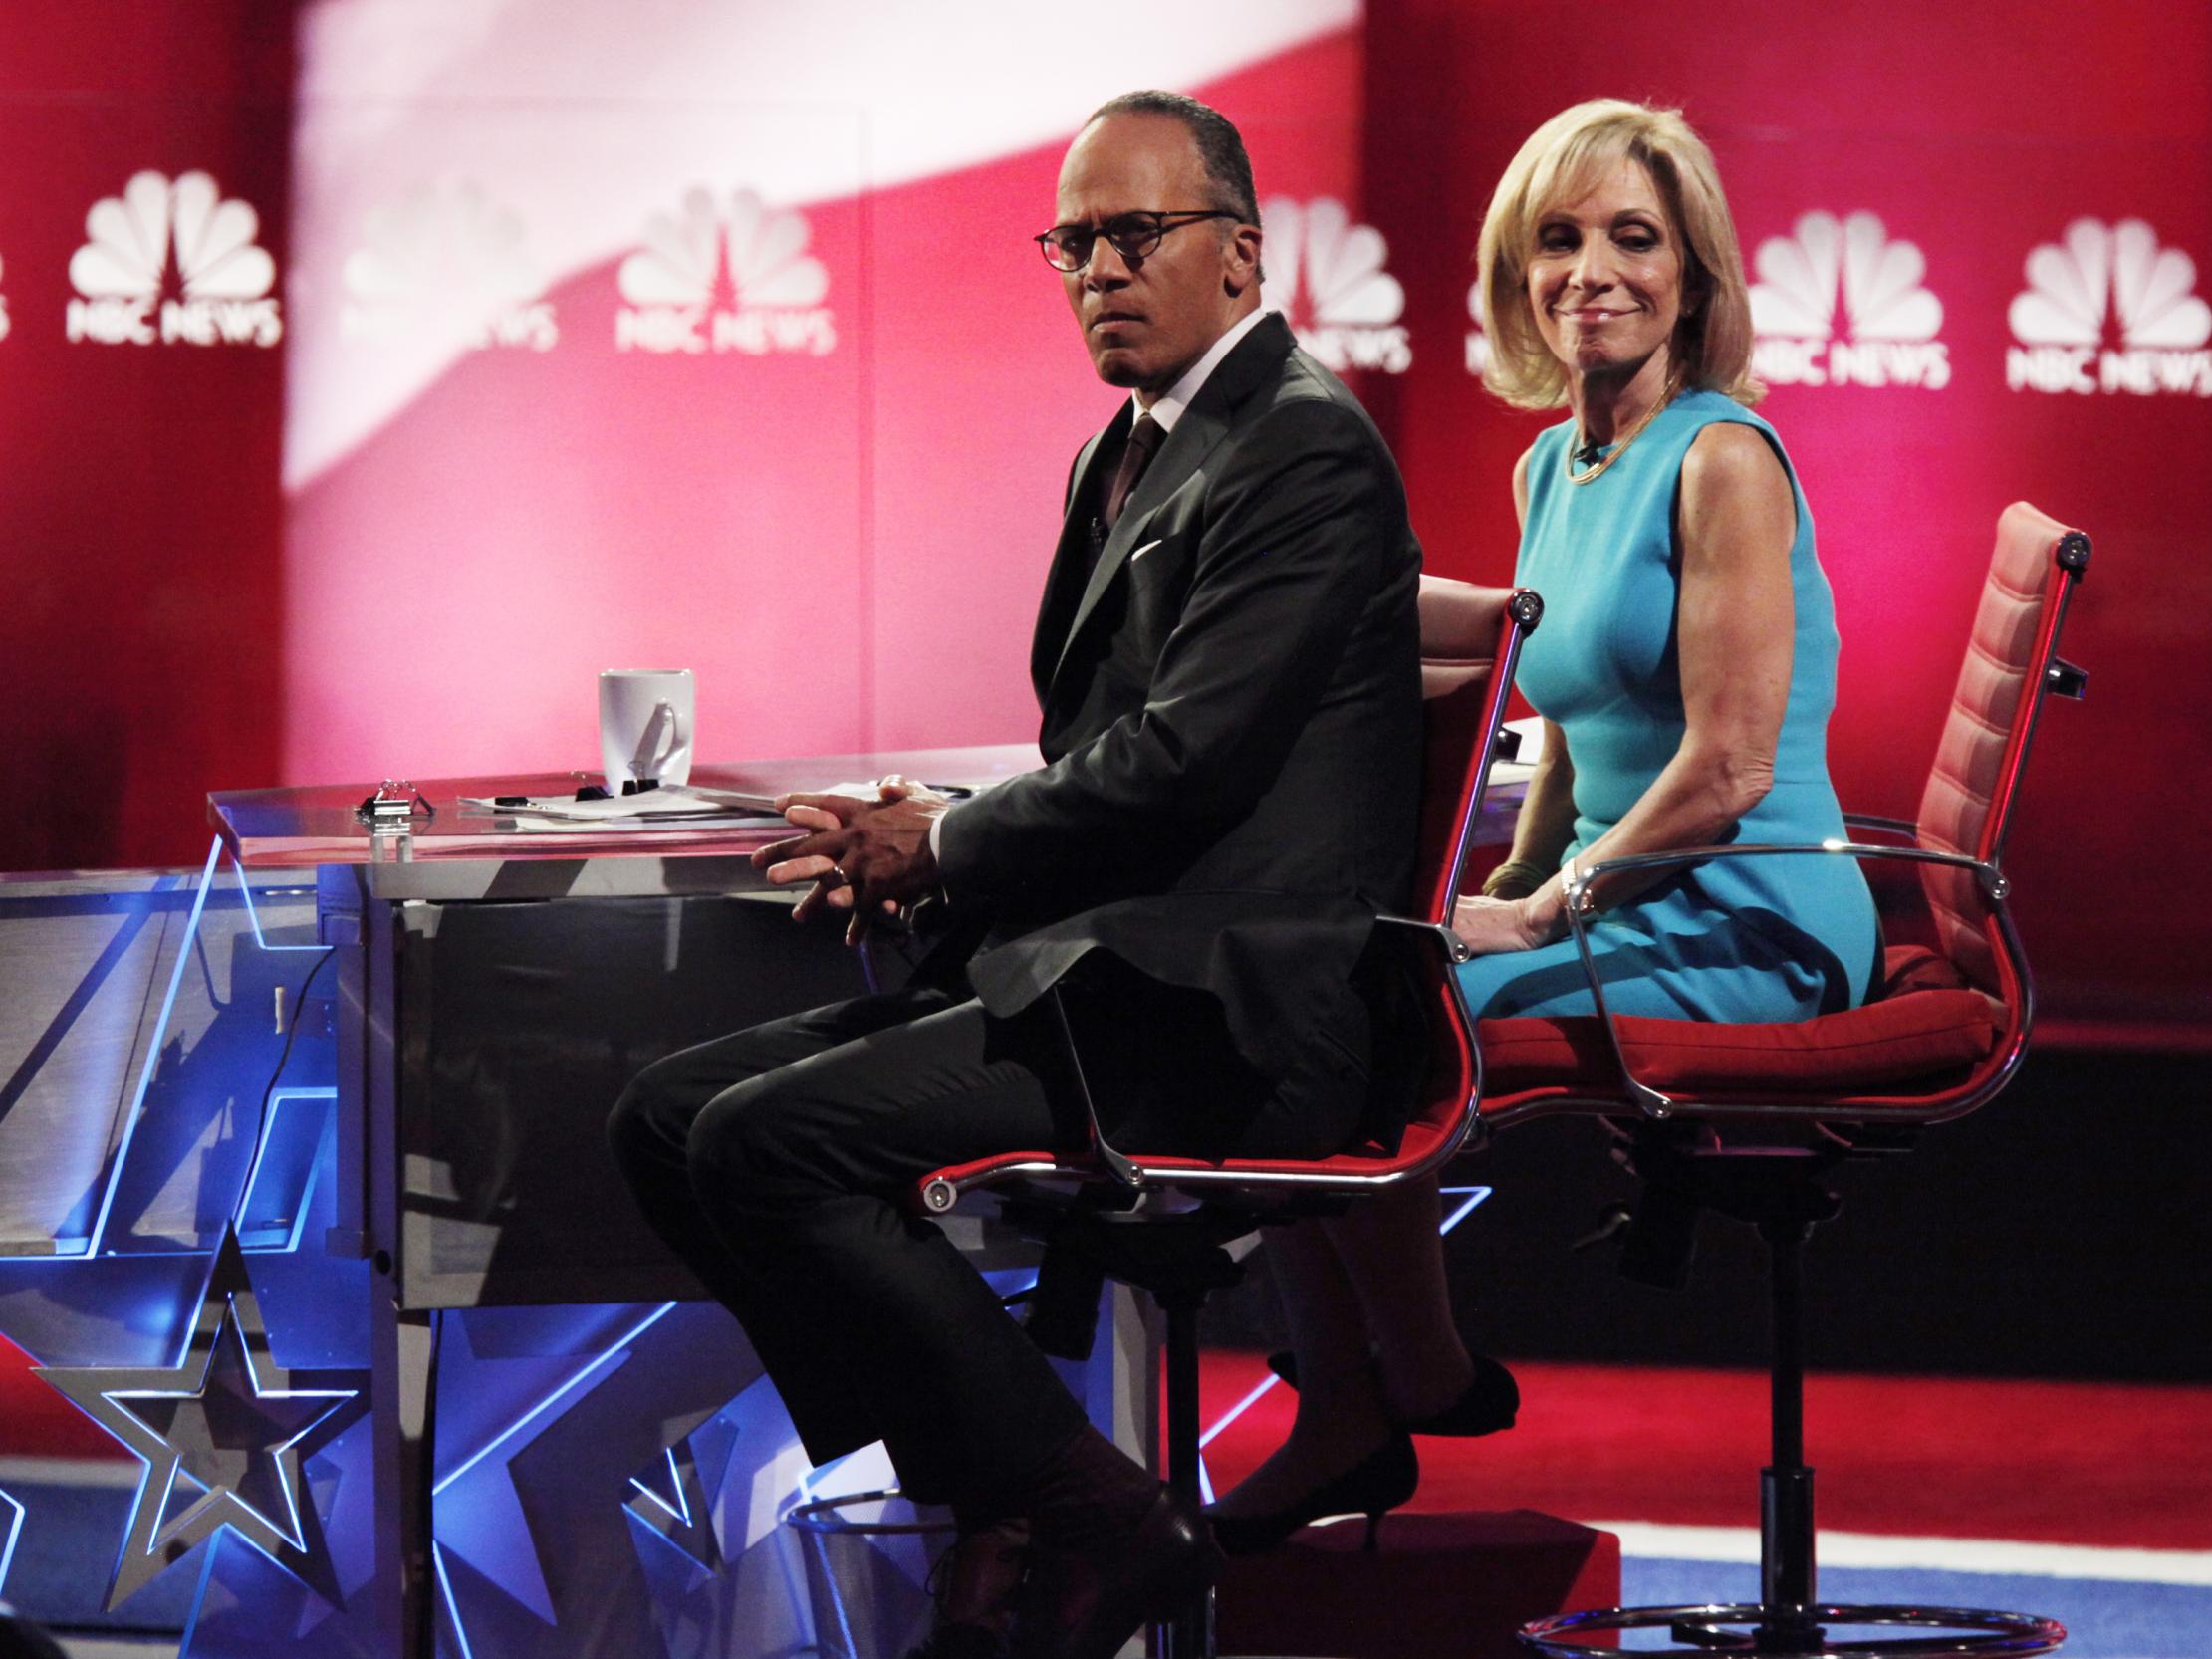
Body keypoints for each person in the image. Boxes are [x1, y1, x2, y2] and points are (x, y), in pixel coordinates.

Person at [606, 91, 1423, 1659]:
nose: (1098, 270)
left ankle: (1082, 1515)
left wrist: (954, 844)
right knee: (666, 1122)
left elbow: (1188, 762)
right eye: (1074, 241)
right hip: (1101, 973)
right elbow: (1105, 746)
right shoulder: (1126, 448)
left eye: (1137, 234)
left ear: (1241, 254)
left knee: (771, 1150)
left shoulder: (1304, 450)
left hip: (1223, 1011)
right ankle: (1003, 1492)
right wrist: (931, 834)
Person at [1207, 98, 1877, 1552]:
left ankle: (1409, 1374)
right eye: (1558, 240)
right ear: (1517, 270)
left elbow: (1729, 768)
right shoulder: (1544, 467)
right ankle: (1354, 1395)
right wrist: (1482, 886)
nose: (1593, 272)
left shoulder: (1725, 460)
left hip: (1756, 910)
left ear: (1694, 274)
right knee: (1321, 978)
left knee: (1370, 1004)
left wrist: (1539, 909)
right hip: (1629, 891)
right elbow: (1567, 738)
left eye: (1634, 239)